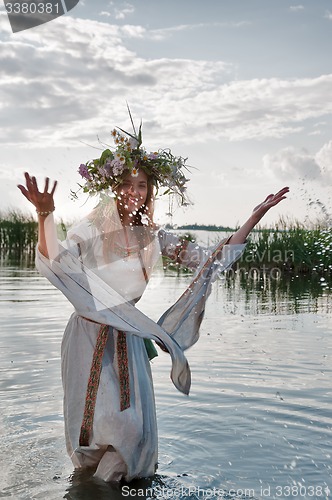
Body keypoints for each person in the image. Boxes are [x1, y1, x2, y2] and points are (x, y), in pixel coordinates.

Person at [17, 119, 289, 483]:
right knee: (92, 434)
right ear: (114, 188)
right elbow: (56, 261)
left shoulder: (153, 237)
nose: (135, 191)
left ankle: (108, 486)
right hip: (88, 336)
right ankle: (90, 488)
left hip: (128, 337)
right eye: (127, 184)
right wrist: (45, 214)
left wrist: (253, 219)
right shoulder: (92, 230)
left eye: (142, 185)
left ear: (149, 191)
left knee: (130, 431)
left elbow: (210, 260)